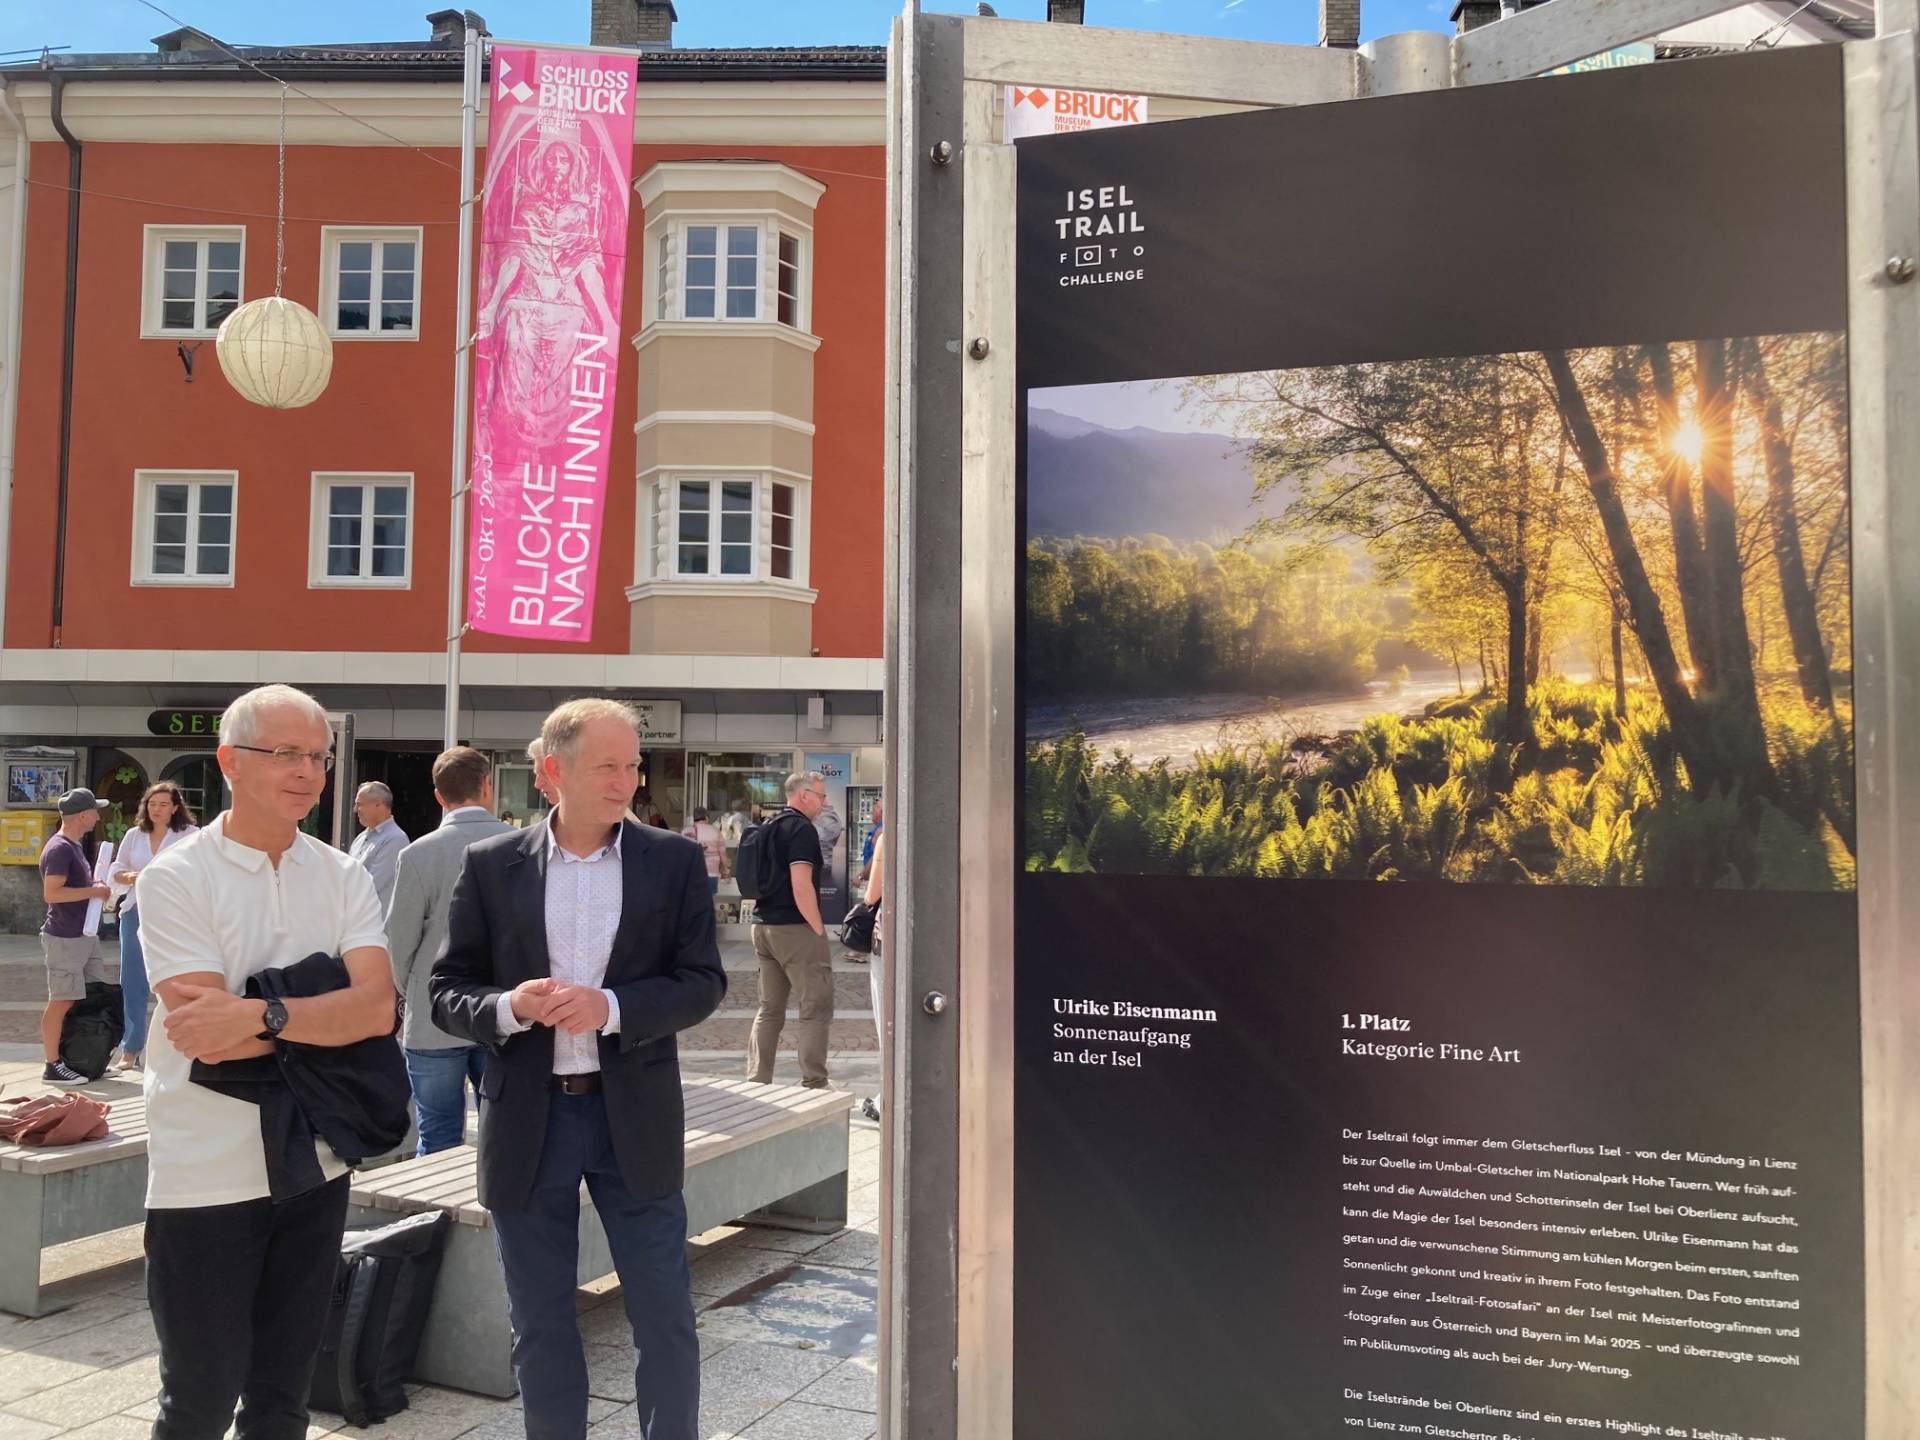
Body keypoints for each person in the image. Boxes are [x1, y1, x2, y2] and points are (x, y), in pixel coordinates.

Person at [430, 698, 726, 1440]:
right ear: (554, 770)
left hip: (635, 1117)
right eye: (608, 765)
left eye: (632, 764)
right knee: (539, 1321)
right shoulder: (492, 864)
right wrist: (510, 1006)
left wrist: (614, 1008)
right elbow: (446, 991)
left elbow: (702, 982)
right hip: (529, 1120)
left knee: (664, 1316)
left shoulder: (673, 861)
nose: (626, 779)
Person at [134, 683, 397, 1440]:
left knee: (284, 1400)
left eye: (317, 755)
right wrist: (325, 1016)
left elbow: (378, 1011)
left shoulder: (343, 873)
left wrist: (264, 1012)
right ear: (230, 762)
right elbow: (204, 1038)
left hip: (318, 1160)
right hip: (206, 1171)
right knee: (199, 1400)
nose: (307, 771)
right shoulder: (177, 877)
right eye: (284, 753)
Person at [383, 747, 513, 1156]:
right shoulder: (522, 845)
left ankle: (435, 1216)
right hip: (502, 1005)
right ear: (488, 786)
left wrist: (413, 989)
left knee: (437, 1134)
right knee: (503, 1135)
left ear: (439, 796)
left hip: (433, 1006)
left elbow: (398, 940)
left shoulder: (418, 853)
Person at [747, 771, 833, 1089]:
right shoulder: (801, 830)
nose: (824, 803)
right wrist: (818, 928)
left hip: (763, 925)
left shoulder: (768, 826)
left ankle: (757, 1079)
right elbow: (801, 884)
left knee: (769, 1008)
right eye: (821, 796)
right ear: (804, 795)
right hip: (793, 928)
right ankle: (814, 1079)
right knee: (815, 1003)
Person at [108, 782, 199, 1073]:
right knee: (132, 981)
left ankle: (179, 1046)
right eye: (151, 804)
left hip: (175, 915)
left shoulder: (191, 836)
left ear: (175, 807)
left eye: (163, 804)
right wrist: (132, 876)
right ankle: (131, 1048)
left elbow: (200, 874)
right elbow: (116, 869)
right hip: (135, 911)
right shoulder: (135, 835)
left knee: (176, 980)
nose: (156, 809)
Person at [37, 788, 114, 1087]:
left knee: (88, 996)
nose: (97, 815)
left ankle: (79, 1057)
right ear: (83, 815)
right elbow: (52, 893)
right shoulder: (59, 849)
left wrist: (94, 885)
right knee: (62, 999)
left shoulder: (74, 846)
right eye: (95, 811)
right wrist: (93, 891)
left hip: (84, 934)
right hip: (65, 938)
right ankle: (52, 1064)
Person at [348, 782, 408, 914]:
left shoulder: (396, 839)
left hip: (377, 925)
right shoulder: (360, 839)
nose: (355, 809)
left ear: (378, 804)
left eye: (359, 804)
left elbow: (370, 885)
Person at [860, 827, 886, 1123]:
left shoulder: (888, 837)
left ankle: (886, 1097)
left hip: (890, 937)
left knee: (888, 1021)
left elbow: (872, 894)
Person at [681, 808, 725, 897]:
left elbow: (682, 854)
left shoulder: (686, 831)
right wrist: (725, 870)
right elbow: (722, 854)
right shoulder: (715, 831)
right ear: (706, 817)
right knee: (709, 900)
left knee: (693, 900)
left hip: (692, 873)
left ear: (694, 818)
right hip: (711, 873)